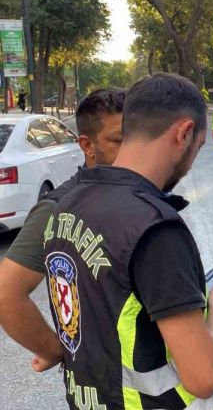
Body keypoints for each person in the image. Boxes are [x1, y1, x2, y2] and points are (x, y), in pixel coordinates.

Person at [41, 74, 213, 409]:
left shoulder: (67, 203)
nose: (193, 159)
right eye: (197, 147)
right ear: (183, 133)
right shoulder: (154, 228)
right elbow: (203, 376)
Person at [0, 88, 125, 377]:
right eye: (119, 140)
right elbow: (7, 293)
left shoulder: (138, 192)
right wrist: (54, 350)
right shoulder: (58, 208)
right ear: (87, 145)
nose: (133, 149)